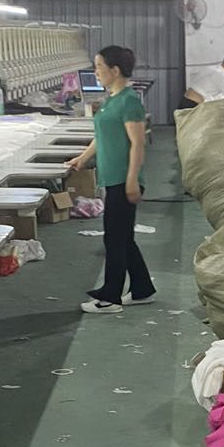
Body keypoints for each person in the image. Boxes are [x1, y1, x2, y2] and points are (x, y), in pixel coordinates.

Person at [66, 46, 156, 315]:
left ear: (114, 70)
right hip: (113, 178)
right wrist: (83, 158)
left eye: (99, 67)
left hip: (123, 179)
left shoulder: (129, 101)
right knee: (124, 238)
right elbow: (102, 135)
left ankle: (110, 298)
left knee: (114, 240)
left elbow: (137, 144)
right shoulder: (111, 100)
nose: (96, 72)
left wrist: (132, 180)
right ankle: (141, 289)